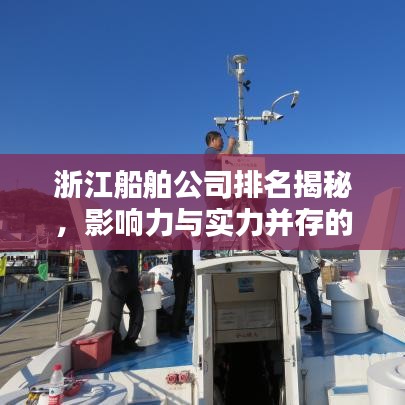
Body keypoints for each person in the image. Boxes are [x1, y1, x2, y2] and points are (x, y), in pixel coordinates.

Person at [201, 131, 236, 259]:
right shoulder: (210, 151)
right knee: (213, 219)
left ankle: (208, 250)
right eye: (220, 141)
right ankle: (205, 250)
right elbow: (226, 156)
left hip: (219, 191)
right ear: (212, 140)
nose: (222, 144)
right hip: (213, 190)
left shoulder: (214, 153)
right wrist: (231, 145)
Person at [105, 250, 145, 354]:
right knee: (116, 316)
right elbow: (108, 254)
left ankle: (130, 341)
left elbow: (133, 263)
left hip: (132, 282)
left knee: (138, 311)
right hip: (119, 281)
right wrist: (117, 266)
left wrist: (137, 280)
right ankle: (116, 346)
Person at [295, 218, 324, 333]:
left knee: (313, 298)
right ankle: (314, 322)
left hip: (310, 270)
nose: (295, 226)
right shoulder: (305, 234)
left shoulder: (307, 233)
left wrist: (319, 261)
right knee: (311, 298)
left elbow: (314, 250)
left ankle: (317, 325)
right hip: (308, 270)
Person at [171, 230, 194, 337]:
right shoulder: (178, 239)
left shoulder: (189, 241)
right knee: (179, 301)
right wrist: (178, 272)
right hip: (180, 276)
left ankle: (181, 324)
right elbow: (175, 257)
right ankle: (174, 329)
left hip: (187, 274)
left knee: (184, 301)